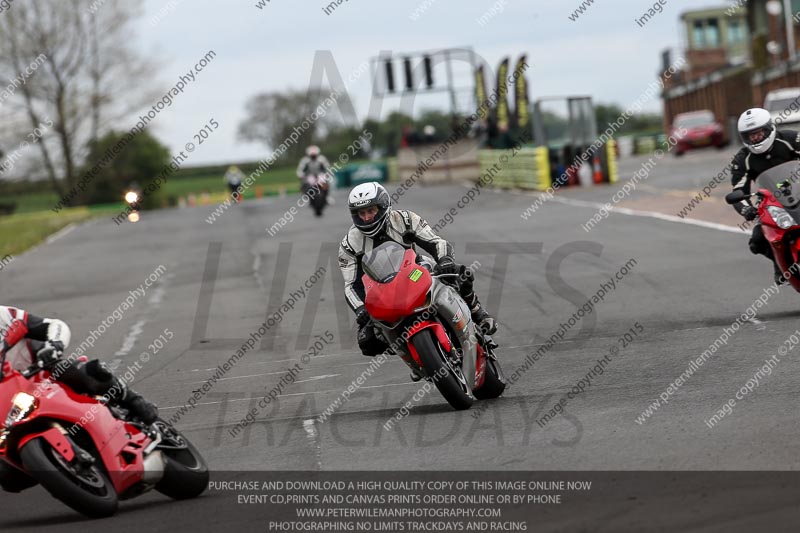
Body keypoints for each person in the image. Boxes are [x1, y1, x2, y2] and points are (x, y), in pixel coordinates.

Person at [338, 182, 496, 379]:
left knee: (459, 273)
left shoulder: (404, 219)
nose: (367, 217)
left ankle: (478, 312)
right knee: (367, 341)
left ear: (383, 206)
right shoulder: (349, 244)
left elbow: (435, 242)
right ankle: (415, 356)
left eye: (371, 210)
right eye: (361, 213)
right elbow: (351, 285)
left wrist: (445, 260)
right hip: (383, 290)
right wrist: (361, 309)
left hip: (417, 271)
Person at [0, 306, 159, 492]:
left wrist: (54, 345)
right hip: (7, 409)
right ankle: (57, 470)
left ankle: (132, 400)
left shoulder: (4, 315)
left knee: (82, 372)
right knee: (8, 478)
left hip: (41, 373)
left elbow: (54, 325)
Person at [730, 108, 800, 284]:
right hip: (770, 203)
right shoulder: (742, 159)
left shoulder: (791, 139)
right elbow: (738, 189)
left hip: (799, 191)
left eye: (758, 133)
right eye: (750, 135)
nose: (755, 138)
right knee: (757, 240)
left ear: (768, 128)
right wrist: (746, 209)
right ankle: (779, 263)